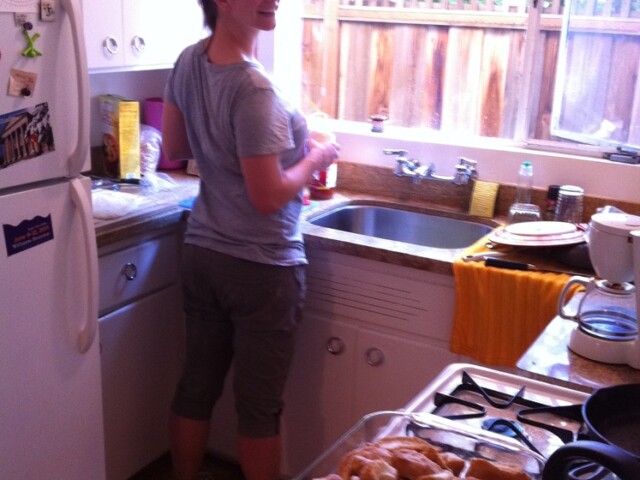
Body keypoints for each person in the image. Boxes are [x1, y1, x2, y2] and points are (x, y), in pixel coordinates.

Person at [161, 0, 340, 479]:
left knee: (195, 388)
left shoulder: (188, 60)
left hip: (203, 251)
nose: (272, 0)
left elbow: (174, 149)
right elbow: (266, 197)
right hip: (261, 268)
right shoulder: (255, 87)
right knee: (259, 408)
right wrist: (316, 158)